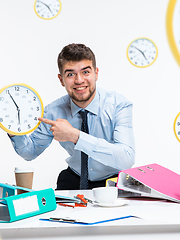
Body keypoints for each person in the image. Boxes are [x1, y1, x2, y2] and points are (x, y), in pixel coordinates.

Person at [8, 43, 135, 190]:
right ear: (61, 79)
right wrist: (13, 128)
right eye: (70, 74)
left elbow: (126, 159)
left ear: (96, 73)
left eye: (85, 72)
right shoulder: (52, 112)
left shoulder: (119, 105)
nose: (79, 80)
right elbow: (29, 152)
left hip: (113, 181)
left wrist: (75, 136)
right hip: (73, 179)